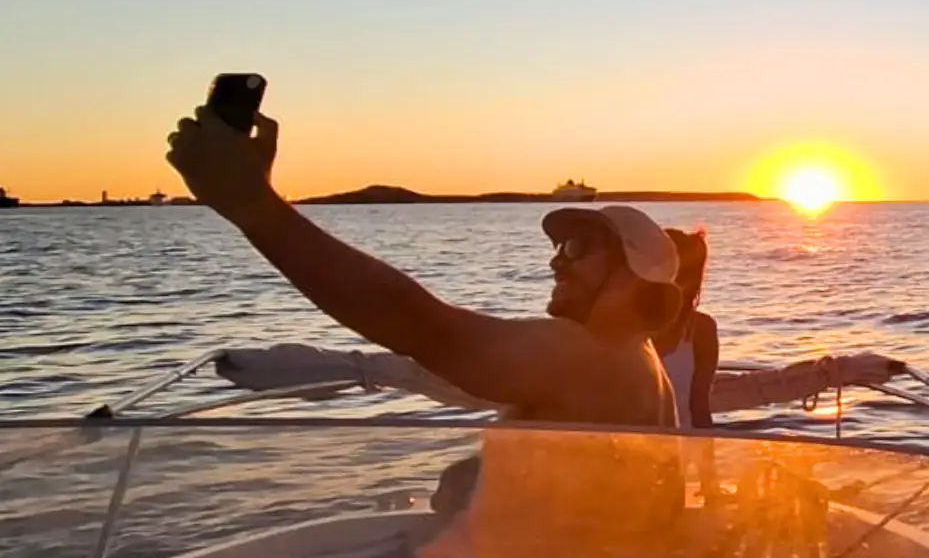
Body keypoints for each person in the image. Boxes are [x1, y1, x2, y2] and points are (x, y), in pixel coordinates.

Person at [165, 106, 682, 427]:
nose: (557, 262)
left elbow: (420, 325)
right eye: (558, 246)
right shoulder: (633, 360)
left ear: (634, 280)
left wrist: (252, 205)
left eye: (576, 249)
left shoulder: (586, 355)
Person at [652, 229, 719, 429]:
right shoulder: (622, 326)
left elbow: (699, 408)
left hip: (679, 451)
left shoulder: (701, 330)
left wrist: (706, 457)